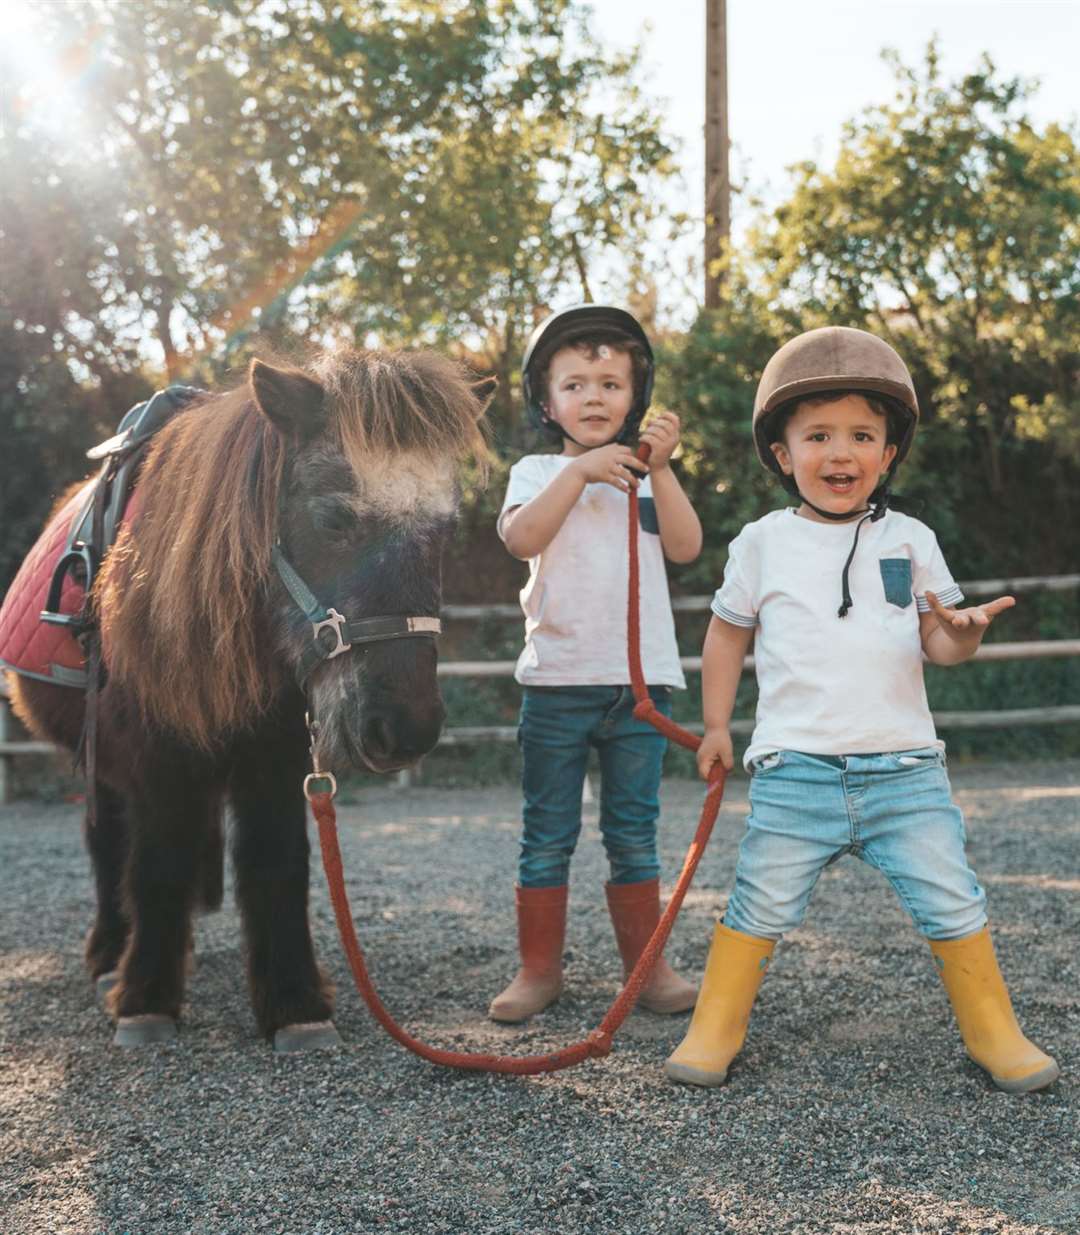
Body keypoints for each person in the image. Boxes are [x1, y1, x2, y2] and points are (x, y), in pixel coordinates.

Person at [665, 325, 1059, 1094]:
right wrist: (717, 725)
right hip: (794, 771)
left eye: (861, 435)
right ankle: (714, 1027)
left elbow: (937, 645)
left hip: (905, 769)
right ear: (782, 453)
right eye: (817, 434)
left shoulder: (911, 539)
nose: (839, 452)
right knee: (757, 900)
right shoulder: (760, 543)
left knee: (953, 895)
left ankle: (994, 1031)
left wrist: (962, 635)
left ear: (888, 453)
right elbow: (724, 635)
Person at [488, 304, 703, 1023]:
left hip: (640, 688)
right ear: (547, 403)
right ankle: (538, 969)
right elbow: (522, 537)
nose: (594, 397)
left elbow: (685, 548)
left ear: (634, 399)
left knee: (634, 832)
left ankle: (647, 968)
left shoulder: (646, 476)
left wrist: (663, 469)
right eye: (575, 384)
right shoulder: (541, 469)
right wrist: (578, 473)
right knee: (548, 831)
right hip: (557, 684)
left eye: (610, 383)